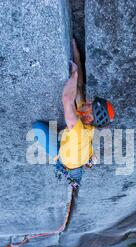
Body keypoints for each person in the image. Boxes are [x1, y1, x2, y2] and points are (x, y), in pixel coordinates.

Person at [32, 39, 115, 189]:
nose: (88, 102)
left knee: (37, 127)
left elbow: (67, 99)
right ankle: (86, 162)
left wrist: (74, 73)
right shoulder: (86, 117)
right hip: (80, 157)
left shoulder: (78, 130)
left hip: (66, 161)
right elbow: (79, 87)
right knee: (76, 149)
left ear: (89, 117)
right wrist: (76, 53)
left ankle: (72, 170)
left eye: (90, 105)